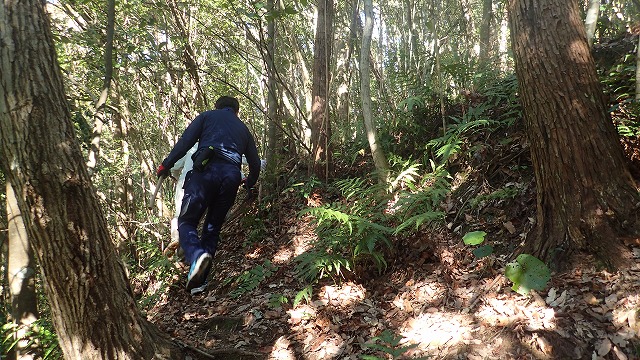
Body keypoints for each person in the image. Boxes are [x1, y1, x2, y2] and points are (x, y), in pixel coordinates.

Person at [156, 96, 261, 294]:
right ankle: (199, 282)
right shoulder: (243, 129)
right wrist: (250, 182)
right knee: (212, 229)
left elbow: (186, 142)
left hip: (205, 172)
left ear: (217, 107)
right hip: (231, 177)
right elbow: (254, 163)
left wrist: (166, 164)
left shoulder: (206, 117)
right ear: (236, 111)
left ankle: (196, 257)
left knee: (186, 222)